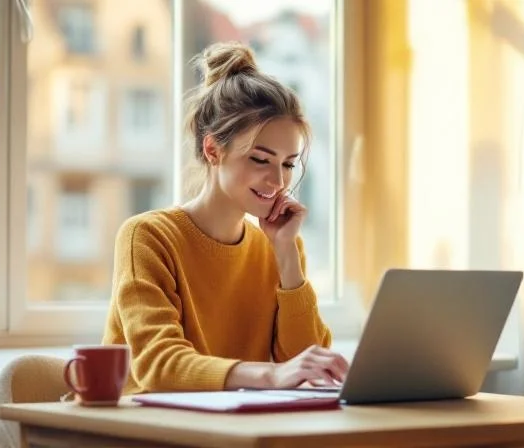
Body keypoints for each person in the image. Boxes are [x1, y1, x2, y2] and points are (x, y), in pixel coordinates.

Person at [102, 42, 349, 394]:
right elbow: (159, 363)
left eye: (289, 164)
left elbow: (304, 364)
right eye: (260, 160)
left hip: (233, 432)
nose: (278, 181)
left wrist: (288, 260)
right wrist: (268, 375)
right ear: (213, 149)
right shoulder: (147, 237)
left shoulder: (279, 248)